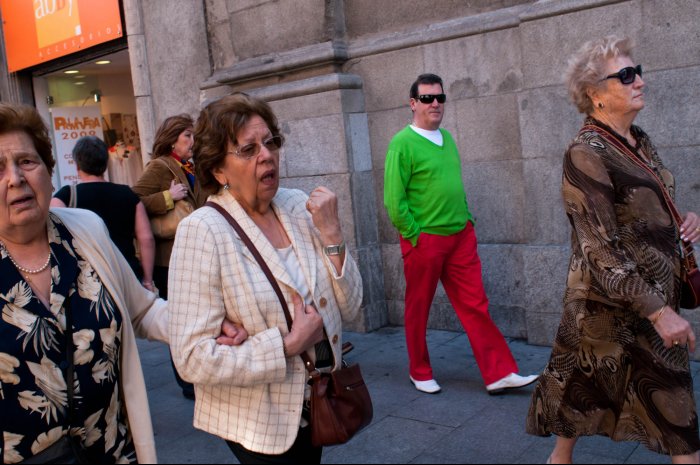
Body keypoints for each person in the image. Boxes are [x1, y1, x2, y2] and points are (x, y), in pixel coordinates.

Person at [525, 36, 700, 464]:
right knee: (578, 401)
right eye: (625, 75)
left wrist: (683, 220)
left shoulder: (639, 140)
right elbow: (598, 245)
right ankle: (559, 459)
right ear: (594, 94)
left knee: (679, 420)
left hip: (652, 302)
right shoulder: (584, 153)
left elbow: (643, 209)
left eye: (637, 71)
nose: (638, 80)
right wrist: (661, 312)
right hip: (606, 310)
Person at [168, 93, 363, 464]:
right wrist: (287, 345)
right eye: (248, 149)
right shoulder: (203, 232)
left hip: (318, 397)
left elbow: (351, 305)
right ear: (218, 171)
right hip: (259, 421)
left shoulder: (297, 206)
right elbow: (191, 359)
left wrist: (333, 234)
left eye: (270, 142)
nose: (266, 154)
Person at [0, 102, 169, 463]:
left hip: (113, 453)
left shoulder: (85, 230)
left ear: (49, 169)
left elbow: (144, 310)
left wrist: (209, 322)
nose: (15, 178)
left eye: (27, 162)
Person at [384, 73, 539, 395]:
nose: (435, 104)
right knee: (419, 308)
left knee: (475, 305)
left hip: (459, 237)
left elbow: (454, 185)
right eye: (427, 98)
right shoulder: (402, 143)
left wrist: (466, 219)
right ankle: (419, 370)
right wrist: (414, 235)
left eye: (440, 98)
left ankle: (499, 373)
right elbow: (393, 200)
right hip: (425, 239)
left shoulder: (448, 138)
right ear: (413, 104)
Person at [132, 114, 206, 399]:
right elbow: (133, 198)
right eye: (187, 135)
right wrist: (167, 197)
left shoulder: (188, 166)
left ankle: (196, 373)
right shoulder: (160, 166)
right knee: (179, 320)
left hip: (189, 253)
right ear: (172, 137)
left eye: (193, 135)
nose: (192, 141)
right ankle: (187, 382)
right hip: (169, 259)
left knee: (196, 317)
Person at [51, 136, 156, 292]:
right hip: (128, 275)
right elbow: (146, 239)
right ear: (106, 163)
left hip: (88, 283)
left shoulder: (66, 197)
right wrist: (147, 280)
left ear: (77, 165)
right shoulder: (127, 194)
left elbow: (52, 239)